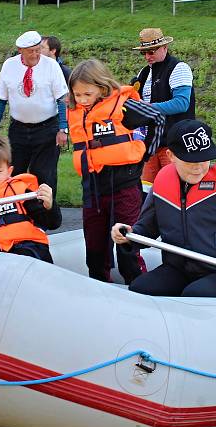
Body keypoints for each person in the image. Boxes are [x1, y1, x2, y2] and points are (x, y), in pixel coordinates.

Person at [111, 119, 216, 298]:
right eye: (190, 161)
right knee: (141, 288)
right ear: (171, 156)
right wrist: (128, 236)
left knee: (195, 294)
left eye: (203, 159)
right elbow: (146, 229)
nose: (197, 167)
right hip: (178, 269)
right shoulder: (162, 185)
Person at [67, 59, 165, 284]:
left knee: (126, 245)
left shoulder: (122, 105)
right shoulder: (76, 110)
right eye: (77, 94)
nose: (81, 100)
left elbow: (158, 118)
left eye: (87, 94)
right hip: (92, 186)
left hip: (125, 184)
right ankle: (100, 287)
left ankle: (139, 286)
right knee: (94, 247)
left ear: (102, 88)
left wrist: (146, 155)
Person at [0, 30, 69, 197]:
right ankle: (18, 211)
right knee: (15, 173)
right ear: (20, 51)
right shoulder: (9, 65)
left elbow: (62, 99)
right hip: (19, 129)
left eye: (38, 50)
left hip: (47, 128)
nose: (36, 54)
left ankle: (47, 214)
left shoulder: (51, 66)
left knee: (45, 174)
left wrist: (63, 128)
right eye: (31, 51)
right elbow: (0, 99)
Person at [131, 28, 195, 186]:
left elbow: (181, 103)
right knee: (147, 190)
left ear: (165, 48)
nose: (147, 56)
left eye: (151, 51)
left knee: (174, 189)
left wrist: (149, 107)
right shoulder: (144, 72)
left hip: (173, 143)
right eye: (143, 52)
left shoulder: (179, 68)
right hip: (150, 142)